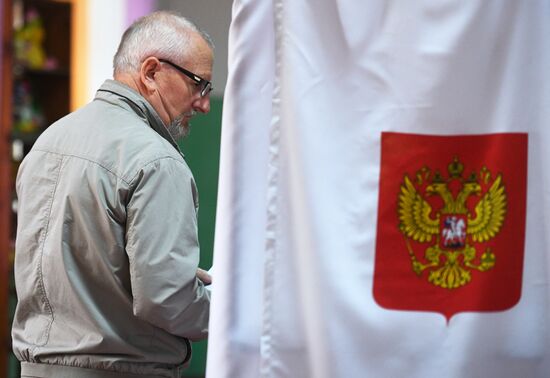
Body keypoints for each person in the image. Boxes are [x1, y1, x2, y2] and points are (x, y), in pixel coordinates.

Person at [12, 11, 214, 378]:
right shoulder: (156, 160)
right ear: (152, 72)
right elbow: (167, 301)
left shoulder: (47, 142)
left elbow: (82, 263)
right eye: (199, 85)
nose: (204, 104)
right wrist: (227, 307)